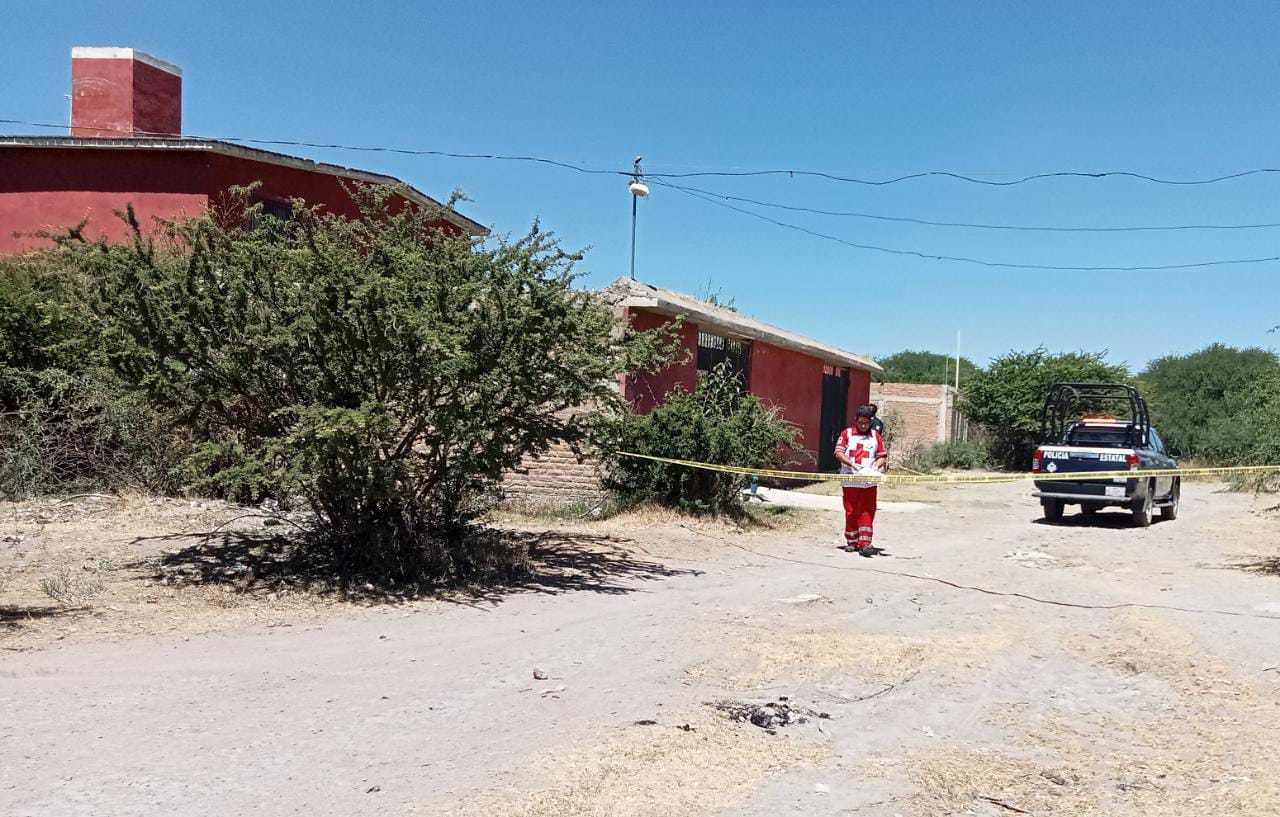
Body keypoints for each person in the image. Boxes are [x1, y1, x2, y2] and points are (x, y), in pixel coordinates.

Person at [834, 405, 888, 555]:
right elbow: (838, 452)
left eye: (866, 423)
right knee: (851, 510)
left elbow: (882, 456)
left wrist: (876, 467)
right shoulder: (847, 434)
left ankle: (865, 543)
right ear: (856, 420)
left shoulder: (876, 436)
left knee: (868, 510)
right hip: (850, 479)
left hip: (868, 481)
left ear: (871, 422)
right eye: (860, 423)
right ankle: (852, 541)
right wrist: (851, 463)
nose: (863, 426)